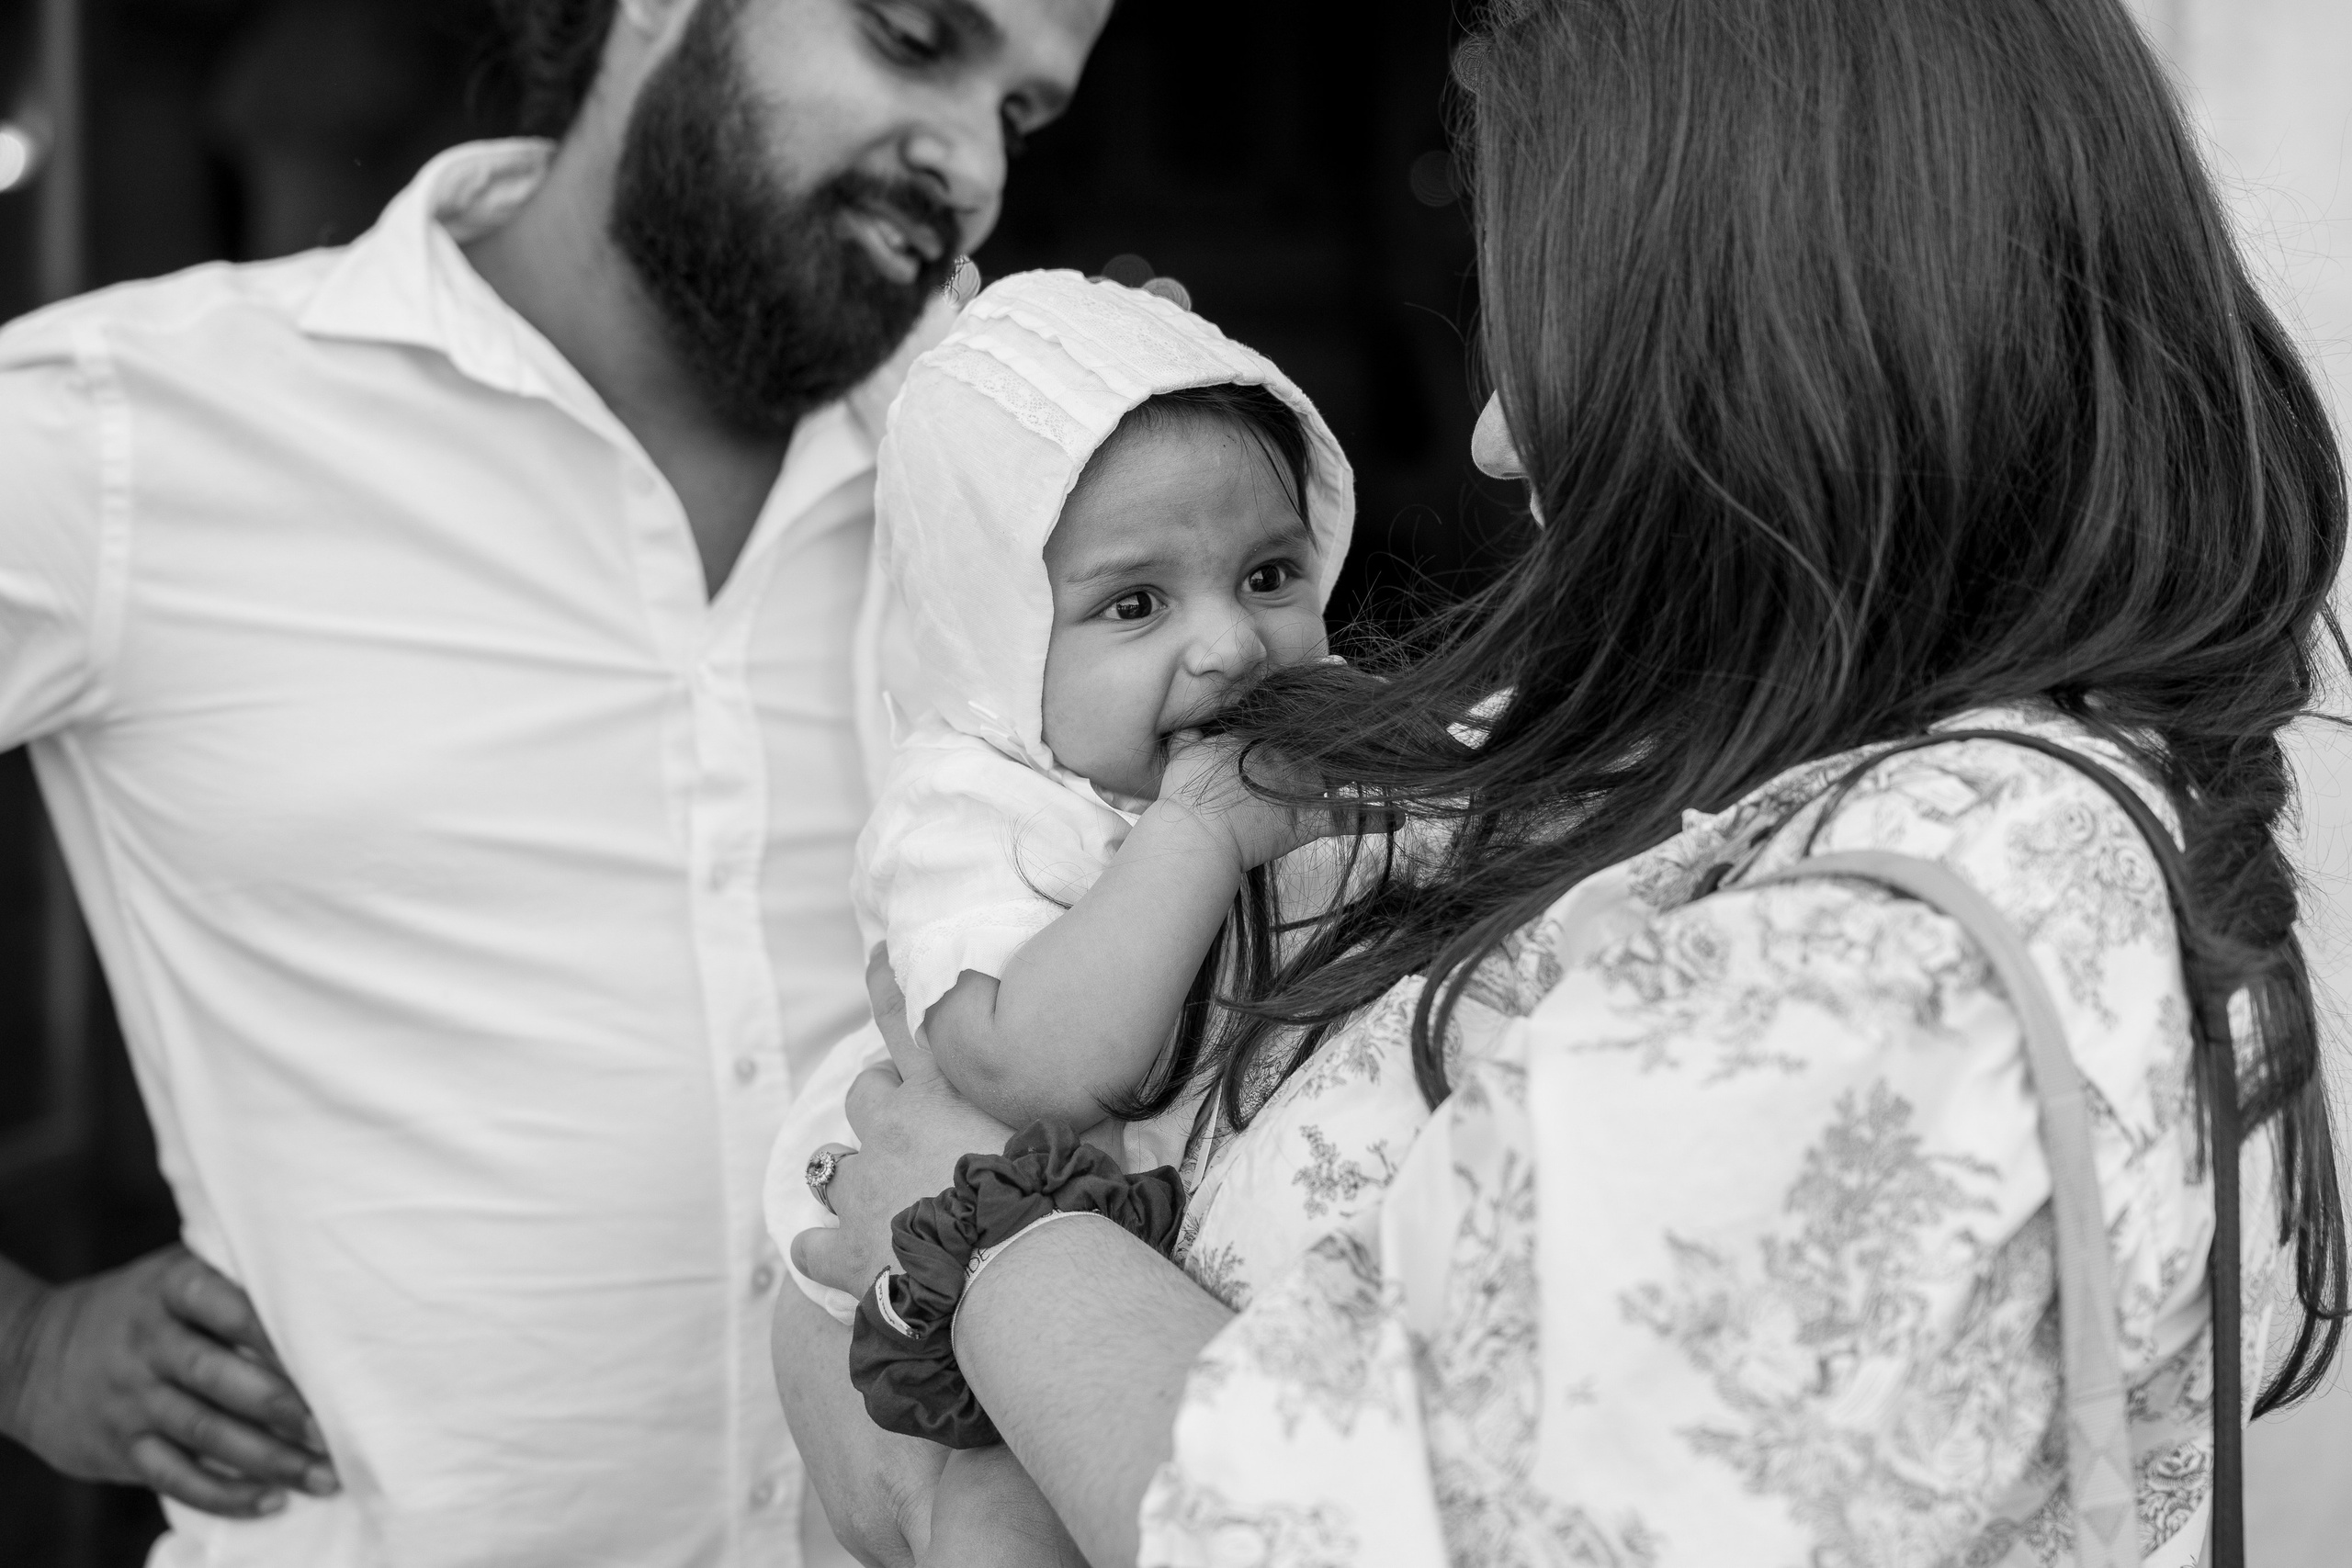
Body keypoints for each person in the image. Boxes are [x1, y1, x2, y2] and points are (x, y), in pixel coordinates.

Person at [781, 0, 2351, 1563]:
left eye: (1560, 329)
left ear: (1785, 338)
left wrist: (991, 1237)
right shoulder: (1815, 788)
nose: (1490, 437)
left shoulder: (1907, 941)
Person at [0, 0, 1109, 1563]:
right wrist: (21, 1348)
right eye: (916, 40)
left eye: (1027, 113)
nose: (971, 165)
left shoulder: (1013, 486)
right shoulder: (128, 431)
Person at [759, 267, 1356, 1562]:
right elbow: (1025, 1069)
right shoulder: (973, 806)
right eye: (1134, 605)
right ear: (992, 635)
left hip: (1119, 1295)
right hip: (929, 1308)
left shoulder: (1305, 750)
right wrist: (1199, 835)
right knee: (996, 1521)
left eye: (1269, 575)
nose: (1229, 647)